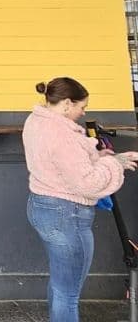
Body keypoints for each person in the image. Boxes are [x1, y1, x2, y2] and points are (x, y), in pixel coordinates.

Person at [23, 77, 138, 322]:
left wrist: (97, 157)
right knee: (68, 293)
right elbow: (87, 184)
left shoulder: (37, 120)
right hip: (67, 215)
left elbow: (62, 164)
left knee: (60, 285)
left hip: (42, 206)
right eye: (81, 107)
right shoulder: (61, 134)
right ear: (66, 104)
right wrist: (112, 163)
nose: (83, 112)